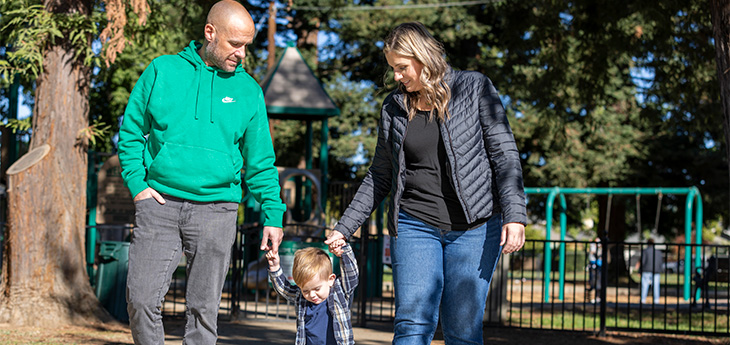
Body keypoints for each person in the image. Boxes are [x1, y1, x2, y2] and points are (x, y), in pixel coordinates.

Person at [325, 22, 527, 344]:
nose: (397, 76)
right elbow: (380, 174)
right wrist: (344, 226)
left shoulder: (474, 88)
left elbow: (504, 154)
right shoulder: (394, 107)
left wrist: (515, 215)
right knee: (412, 323)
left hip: (474, 227)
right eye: (393, 69)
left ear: (423, 58)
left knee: (462, 330)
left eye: (402, 67)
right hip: (414, 224)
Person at [117, 1, 286, 343]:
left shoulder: (249, 91)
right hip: (159, 204)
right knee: (141, 300)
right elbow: (131, 133)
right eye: (234, 44)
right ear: (210, 33)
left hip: (217, 211)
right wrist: (138, 185)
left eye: (246, 46)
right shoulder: (162, 70)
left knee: (203, 311)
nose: (241, 54)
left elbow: (261, 163)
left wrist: (273, 214)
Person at [266, 240, 359, 345]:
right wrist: (275, 268)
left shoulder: (339, 291)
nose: (311, 295)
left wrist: (344, 251)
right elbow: (285, 289)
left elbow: (352, 276)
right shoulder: (301, 297)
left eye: (317, 289)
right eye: (305, 290)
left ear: (330, 279)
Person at [637, 239, 664, 304]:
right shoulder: (658, 252)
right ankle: (656, 300)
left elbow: (643, 262)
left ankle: (643, 300)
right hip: (656, 271)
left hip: (646, 270)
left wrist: (639, 271)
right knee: (656, 286)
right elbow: (660, 262)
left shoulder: (645, 251)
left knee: (644, 286)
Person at [587, 237, 602, 303]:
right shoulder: (593, 247)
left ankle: (597, 297)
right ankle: (591, 297)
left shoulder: (600, 249)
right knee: (592, 282)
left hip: (598, 266)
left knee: (598, 282)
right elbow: (592, 253)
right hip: (593, 266)